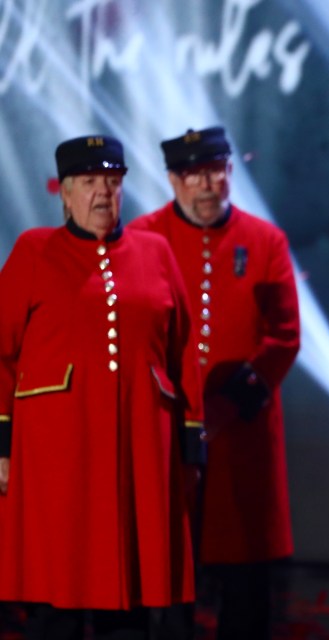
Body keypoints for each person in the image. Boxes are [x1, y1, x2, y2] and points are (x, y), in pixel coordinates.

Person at [0, 135, 204, 639]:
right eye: (89, 183)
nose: (102, 194)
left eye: (112, 183)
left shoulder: (154, 252)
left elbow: (183, 351)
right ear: (64, 194)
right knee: (56, 600)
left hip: (138, 452)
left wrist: (190, 440)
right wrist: (1, 443)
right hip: (55, 458)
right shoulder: (34, 251)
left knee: (128, 596)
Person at [128, 126, 300, 640]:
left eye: (214, 172)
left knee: (246, 576)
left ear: (229, 172)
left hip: (243, 436)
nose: (205, 186)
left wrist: (230, 404)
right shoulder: (142, 237)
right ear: (173, 180)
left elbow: (284, 336)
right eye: (191, 175)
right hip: (168, 434)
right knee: (166, 568)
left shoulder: (266, 241)